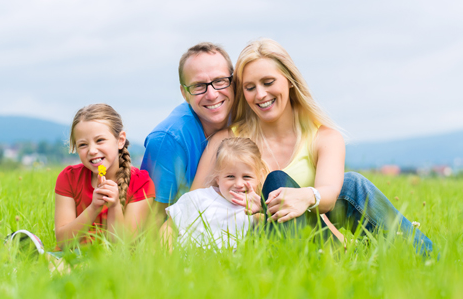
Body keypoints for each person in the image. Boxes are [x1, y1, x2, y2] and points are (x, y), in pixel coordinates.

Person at [191, 38, 433, 254]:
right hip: (255, 243)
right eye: (250, 87)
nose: (261, 94)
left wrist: (304, 197)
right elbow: (192, 210)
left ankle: (427, 257)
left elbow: (327, 197)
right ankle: (347, 257)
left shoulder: (324, 137)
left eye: (268, 82)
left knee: (351, 184)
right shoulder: (226, 142)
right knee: (277, 182)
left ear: (290, 82)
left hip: (310, 235)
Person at [141, 42, 234, 222]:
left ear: (233, 81)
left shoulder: (247, 118)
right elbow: (151, 222)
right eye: (199, 86)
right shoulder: (167, 140)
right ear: (184, 93)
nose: (212, 94)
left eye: (220, 81)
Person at [55, 104, 155, 247]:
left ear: (120, 140)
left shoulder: (141, 183)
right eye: (83, 145)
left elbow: (123, 247)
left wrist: (114, 206)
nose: (92, 150)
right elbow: (64, 243)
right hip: (70, 258)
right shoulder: (68, 177)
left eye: (100, 140)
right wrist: (93, 208)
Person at [161, 137, 269, 249]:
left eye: (247, 177)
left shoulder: (256, 212)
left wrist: (263, 209)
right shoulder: (197, 198)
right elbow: (169, 228)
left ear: (259, 176)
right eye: (230, 176)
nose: (239, 184)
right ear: (218, 178)